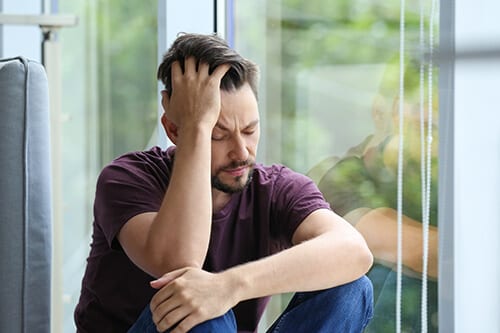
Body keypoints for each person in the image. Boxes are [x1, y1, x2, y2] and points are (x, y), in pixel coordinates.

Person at [74, 32, 374, 333]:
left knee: (350, 288)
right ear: (173, 130)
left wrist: (228, 286)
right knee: (195, 308)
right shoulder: (128, 178)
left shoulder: (276, 188)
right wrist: (197, 126)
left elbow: (353, 251)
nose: (242, 152)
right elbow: (179, 261)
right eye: (218, 134)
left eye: (249, 130)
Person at [309, 86, 438, 332]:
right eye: (426, 119)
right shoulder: (340, 177)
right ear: (388, 112)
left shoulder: (436, 185)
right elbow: (414, 249)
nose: (430, 122)